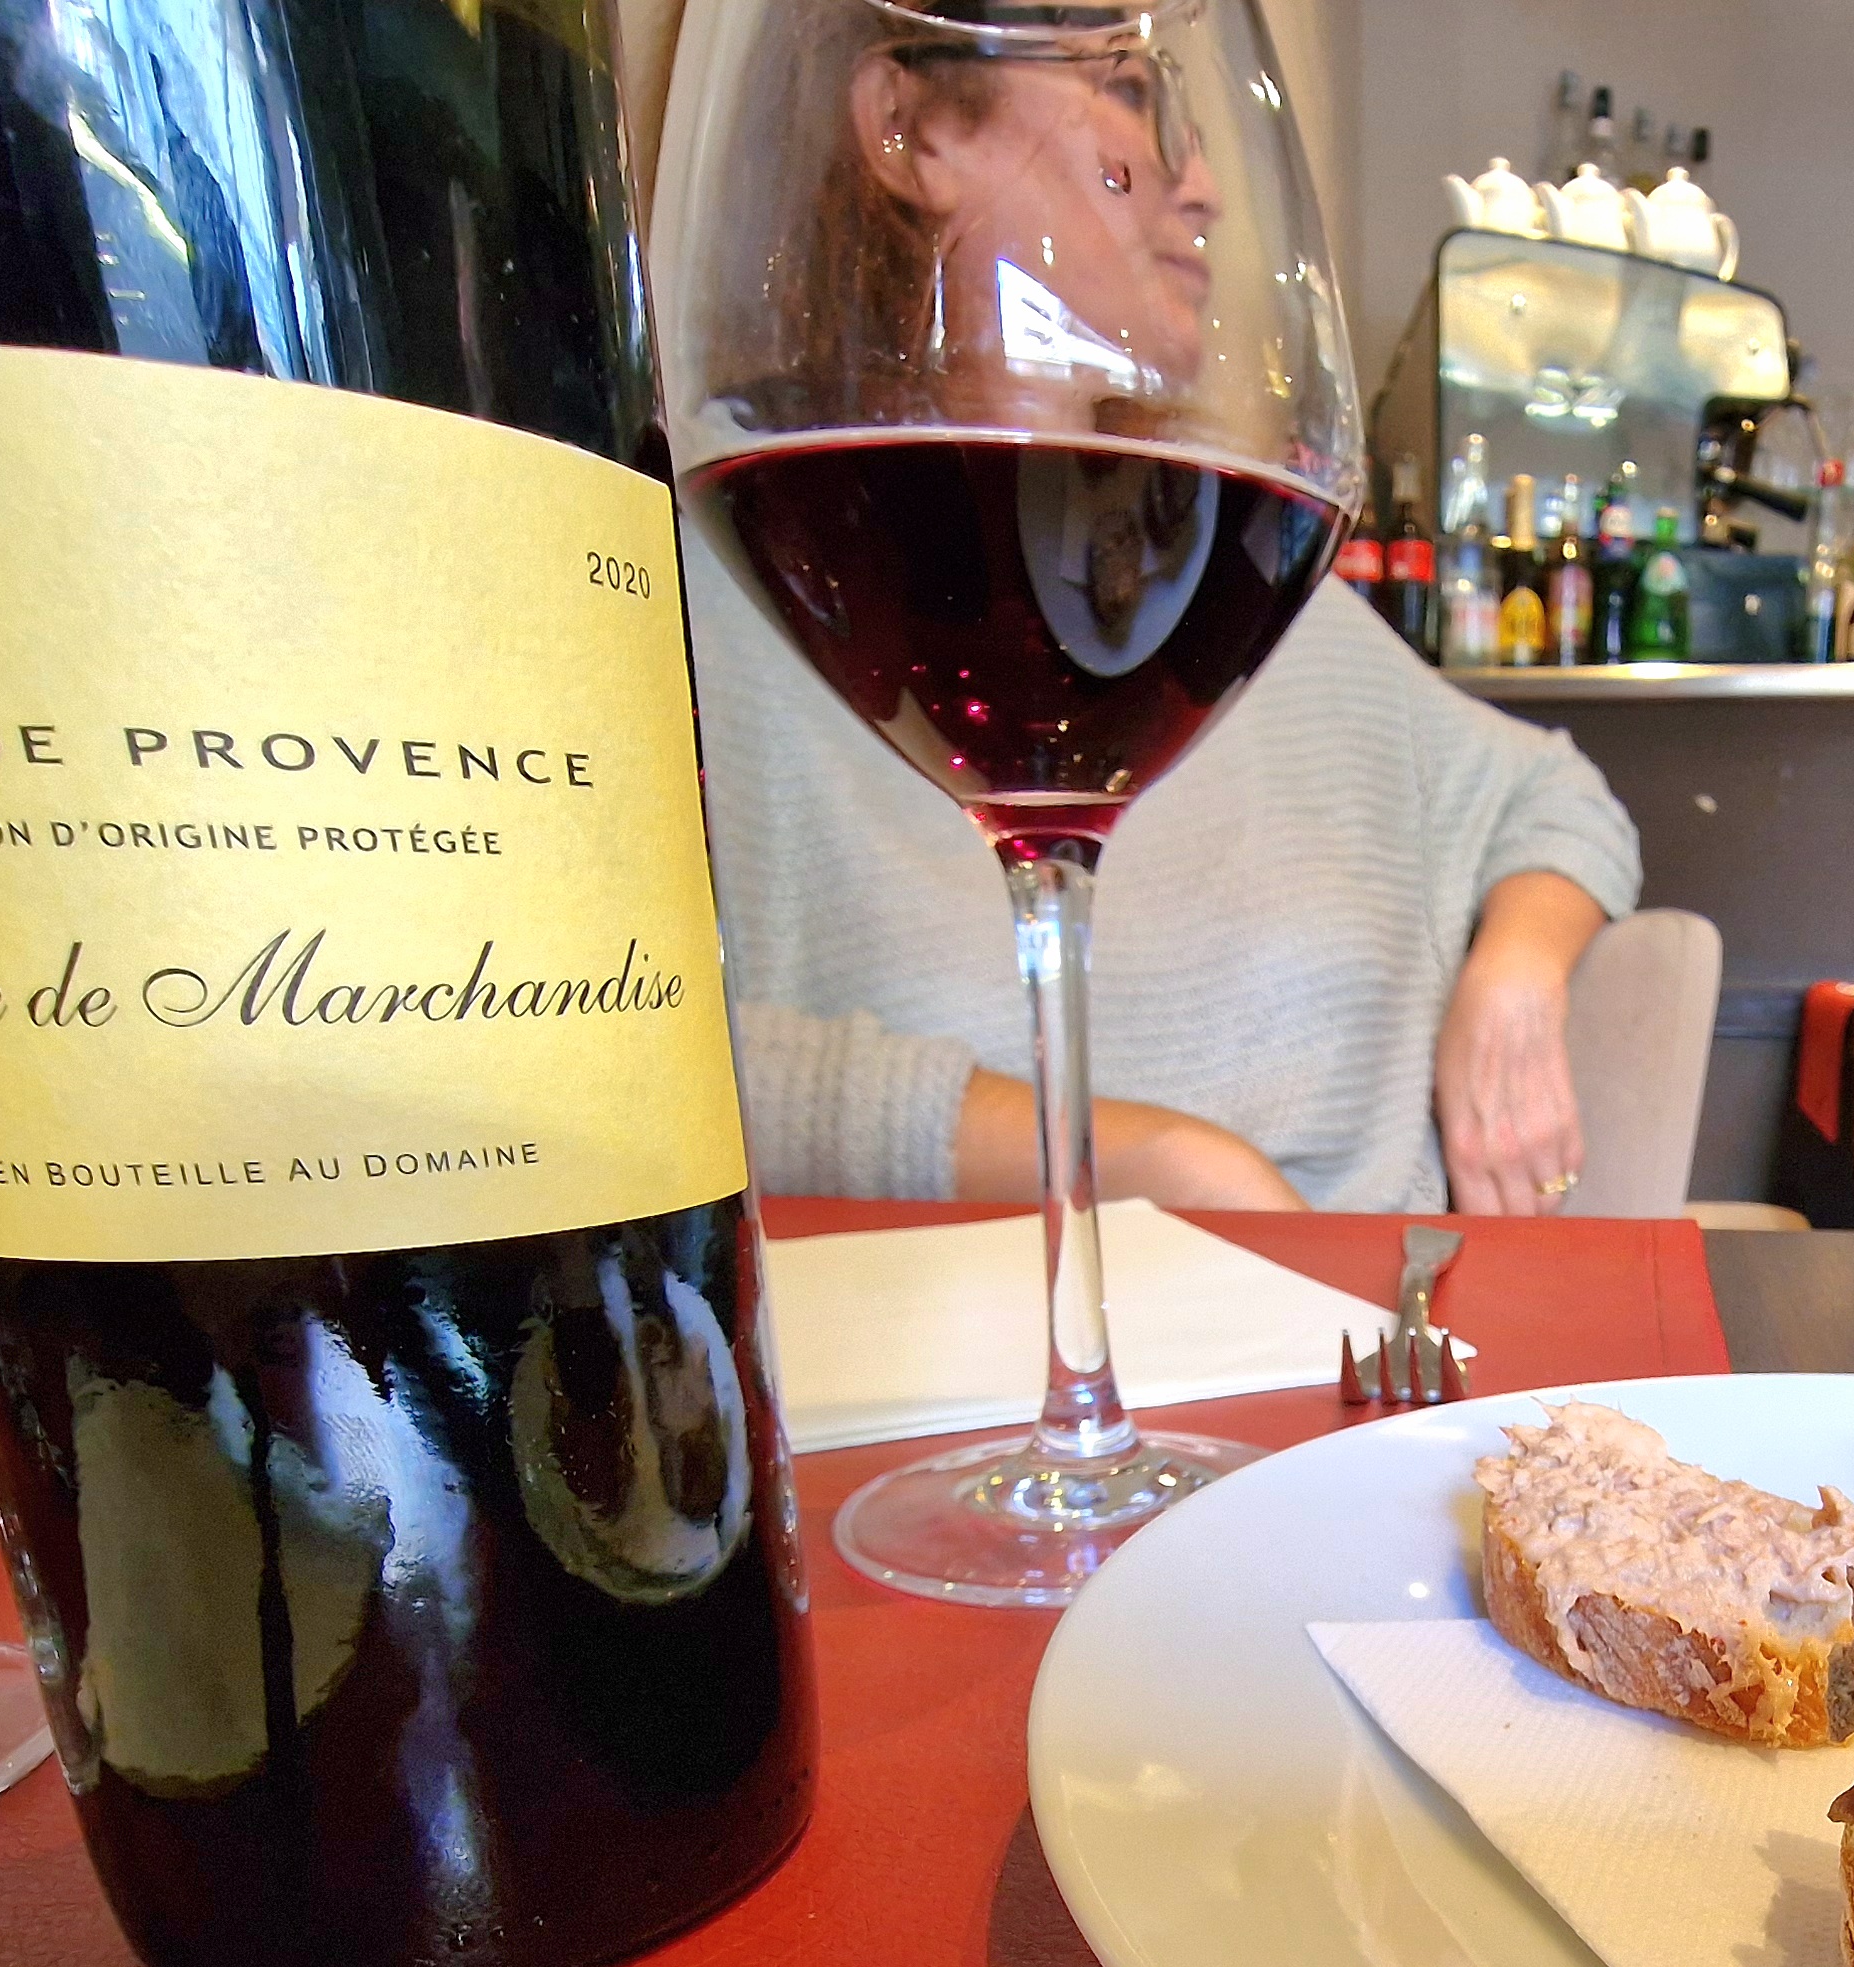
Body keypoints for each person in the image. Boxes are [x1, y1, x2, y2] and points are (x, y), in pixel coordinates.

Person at [675, 5, 1644, 1218]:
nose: (1203, 189)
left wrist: (1516, 978)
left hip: (1376, 1301)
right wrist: (1164, 1164)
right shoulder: (743, 597)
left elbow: (1555, 797)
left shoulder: (1238, 598)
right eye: (1132, 94)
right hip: (963, 1309)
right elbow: (621, 1055)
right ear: (912, 129)